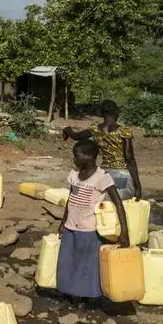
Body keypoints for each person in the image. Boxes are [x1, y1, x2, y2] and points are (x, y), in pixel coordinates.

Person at [57, 139, 129, 303]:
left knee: (85, 265)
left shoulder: (102, 177)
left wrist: (124, 232)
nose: (74, 159)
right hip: (70, 226)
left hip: (89, 228)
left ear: (90, 156)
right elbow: (71, 197)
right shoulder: (74, 172)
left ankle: (84, 299)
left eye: (77, 155)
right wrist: (62, 222)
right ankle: (68, 295)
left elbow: (118, 204)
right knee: (67, 261)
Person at [63, 100, 142, 201]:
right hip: (122, 174)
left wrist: (68, 131)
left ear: (102, 114)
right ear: (115, 113)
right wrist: (138, 187)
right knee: (122, 204)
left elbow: (76, 136)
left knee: (107, 207)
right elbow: (129, 158)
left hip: (106, 173)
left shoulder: (95, 129)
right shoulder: (124, 131)